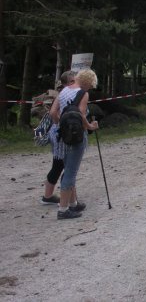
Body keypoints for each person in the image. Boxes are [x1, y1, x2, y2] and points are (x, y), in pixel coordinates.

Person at [49, 69, 99, 220]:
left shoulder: (63, 91)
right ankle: (63, 210)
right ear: (87, 82)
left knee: (68, 167)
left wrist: (60, 125)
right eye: (91, 85)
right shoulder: (83, 93)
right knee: (71, 172)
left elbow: (52, 113)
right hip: (76, 137)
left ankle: (73, 203)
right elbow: (81, 115)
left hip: (62, 136)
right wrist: (91, 126)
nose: (90, 88)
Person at [41, 70, 75, 205]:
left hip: (59, 133)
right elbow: (53, 113)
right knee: (67, 165)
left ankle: (48, 196)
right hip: (61, 134)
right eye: (73, 80)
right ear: (67, 82)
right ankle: (70, 200)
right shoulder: (65, 94)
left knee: (59, 164)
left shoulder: (63, 93)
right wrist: (62, 123)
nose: (75, 82)